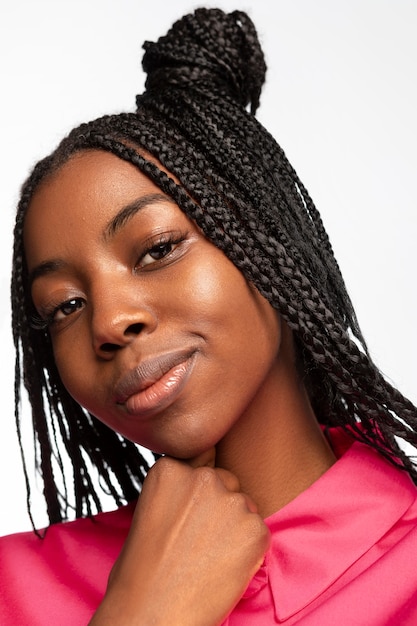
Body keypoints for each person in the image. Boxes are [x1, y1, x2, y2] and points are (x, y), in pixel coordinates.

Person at [1, 7, 417, 625]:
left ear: (266, 241)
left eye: (158, 249)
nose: (109, 323)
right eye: (64, 306)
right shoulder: (14, 585)